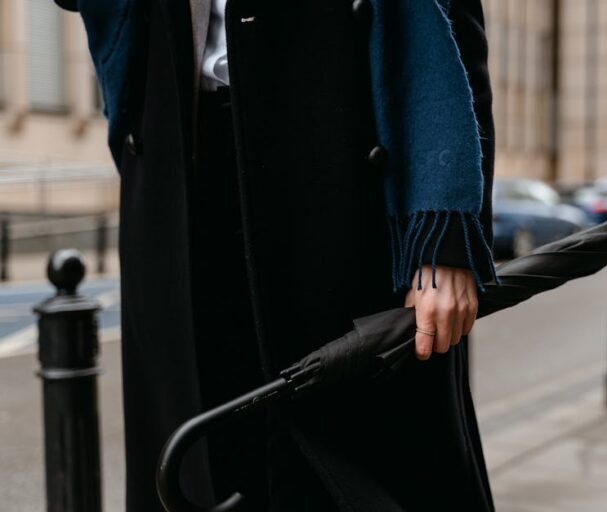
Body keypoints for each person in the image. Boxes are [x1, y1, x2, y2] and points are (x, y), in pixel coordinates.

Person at [54, 0, 497, 510]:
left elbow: (457, 38)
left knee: (366, 467)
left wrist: (446, 240)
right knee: (201, 468)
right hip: (178, 171)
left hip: (348, 182)